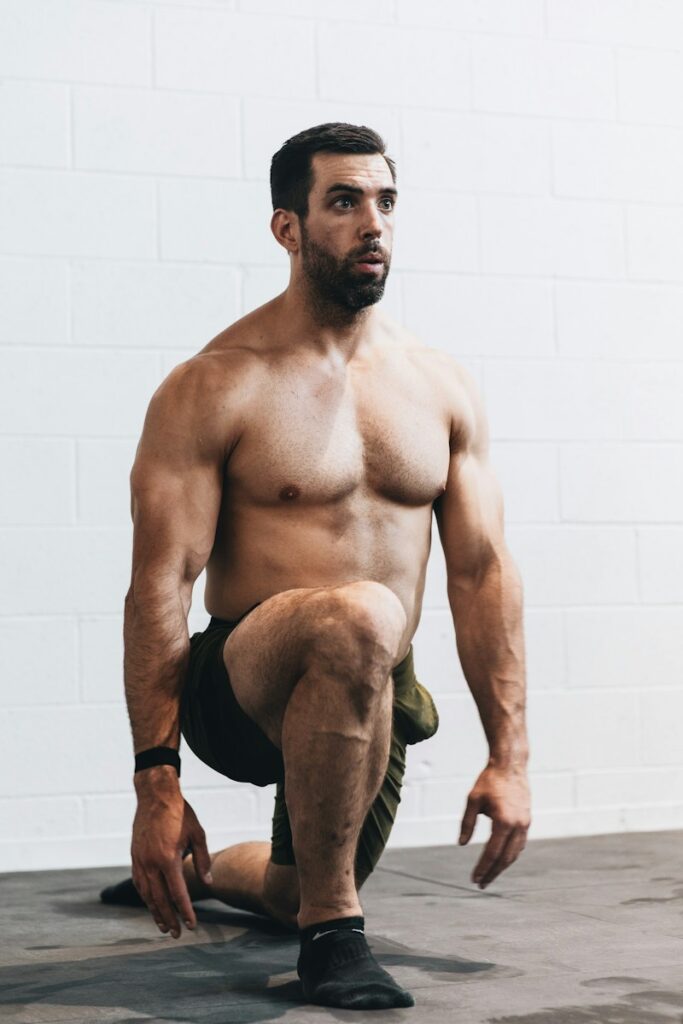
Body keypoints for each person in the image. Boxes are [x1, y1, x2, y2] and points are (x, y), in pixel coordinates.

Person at [101, 123, 531, 1011]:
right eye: (342, 202)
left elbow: (480, 573)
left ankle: (234, 878)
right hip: (238, 683)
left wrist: (509, 756)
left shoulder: (437, 385)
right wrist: (158, 788)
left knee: (290, 887)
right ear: (287, 229)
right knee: (361, 613)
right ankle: (334, 936)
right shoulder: (214, 383)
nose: (371, 223)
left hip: (371, 688)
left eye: (384, 201)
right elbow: (158, 587)